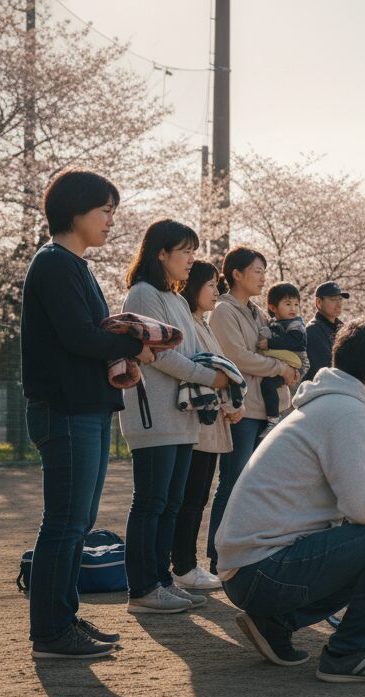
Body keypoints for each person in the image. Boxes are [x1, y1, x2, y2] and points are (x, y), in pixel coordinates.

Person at [215, 319, 365, 683]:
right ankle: (347, 653)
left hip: (250, 570)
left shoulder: (335, 406)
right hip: (261, 571)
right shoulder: (347, 413)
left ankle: (274, 623)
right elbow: (363, 505)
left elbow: (361, 486)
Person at [22, 169, 154, 658]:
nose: (111, 220)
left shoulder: (72, 264)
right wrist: (132, 345)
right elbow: (80, 337)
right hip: (66, 410)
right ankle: (51, 634)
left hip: (85, 406)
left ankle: (63, 619)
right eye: (105, 210)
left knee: (75, 521)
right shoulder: (54, 263)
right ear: (75, 210)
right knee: (65, 522)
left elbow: (87, 339)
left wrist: (122, 356)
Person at [119, 220, 230, 614]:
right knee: (150, 502)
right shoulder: (142, 294)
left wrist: (216, 377)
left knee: (170, 503)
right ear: (160, 253)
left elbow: (194, 350)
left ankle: (162, 580)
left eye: (193, 252)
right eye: (185, 251)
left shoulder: (177, 299)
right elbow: (163, 355)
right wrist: (209, 378)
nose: (191, 260)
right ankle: (143, 589)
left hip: (181, 415)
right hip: (152, 415)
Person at [206, 247, 299, 574]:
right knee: (232, 482)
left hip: (265, 409)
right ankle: (218, 556)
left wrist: (289, 363)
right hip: (241, 407)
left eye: (263, 271)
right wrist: (279, 367)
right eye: (257, 271)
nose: (262, 277)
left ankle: (246, 550)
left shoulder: (256, 312)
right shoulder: (223, 311)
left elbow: (271, 345)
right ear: (236, 274)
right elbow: (237, 357)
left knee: (255, 484)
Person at [171, 260, 244, 591]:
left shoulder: (202, 322)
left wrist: (229, 404)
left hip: (213, 420)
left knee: (197, 495)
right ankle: (182, 565)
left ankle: (186, 563)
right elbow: (200, 373)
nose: (217, 290)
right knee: (191, 495)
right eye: (211, 285)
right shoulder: (187, 322)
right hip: (198, 422)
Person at [257, 281, 309, 422]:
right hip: (285, 360)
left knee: (271, 385)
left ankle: (273, 418)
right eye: (288, 304)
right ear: (273, 307)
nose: (293, 308)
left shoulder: (296, 324)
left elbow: (292, 341)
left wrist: (269, 343)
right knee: (269, 384)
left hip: (297, 363)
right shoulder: (274, 322)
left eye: (296, 304)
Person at [303, 281, 348, 382]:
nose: (339, 304)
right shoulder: (313, 330)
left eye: (340, 299)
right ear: (319, 302)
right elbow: (325, 369)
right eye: (333, 300)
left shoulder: (342, 328)